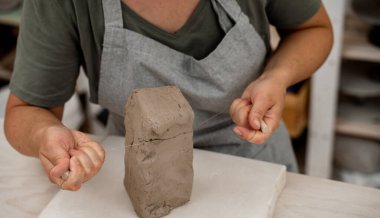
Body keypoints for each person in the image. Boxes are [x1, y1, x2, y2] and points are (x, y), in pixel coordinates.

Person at [4, 0, 333, 191]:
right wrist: (43, 134)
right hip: (135, 177)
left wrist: (277, 75)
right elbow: (27, 109)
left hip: (254, 168)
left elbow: (313, 29)